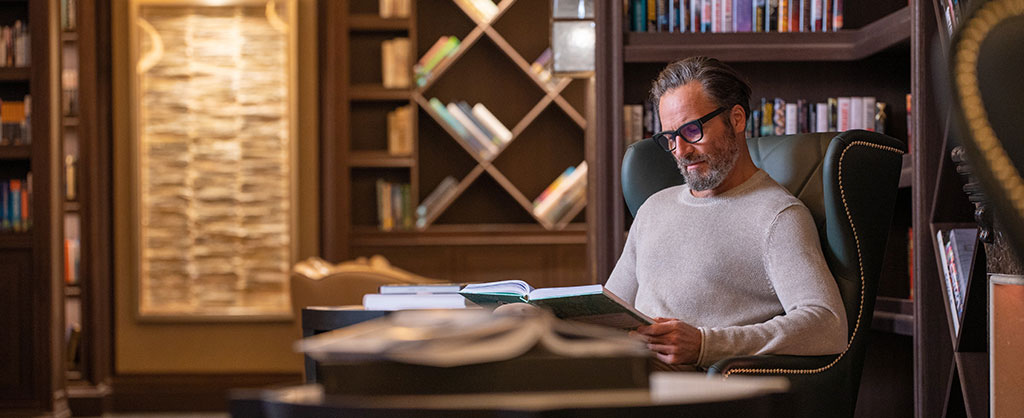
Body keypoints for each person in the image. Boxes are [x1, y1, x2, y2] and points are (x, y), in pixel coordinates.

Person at [605, 56, 848, 369]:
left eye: (692, 130)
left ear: (736, 119)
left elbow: (826, 324)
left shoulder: (777, 216)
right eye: (670, 137)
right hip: (625, 373)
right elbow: (609, 312)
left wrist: (707, 344)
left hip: (691, 390)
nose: (680, 150)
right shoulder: (653, 208)